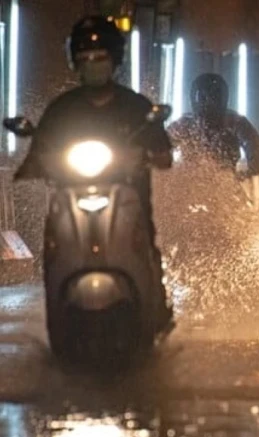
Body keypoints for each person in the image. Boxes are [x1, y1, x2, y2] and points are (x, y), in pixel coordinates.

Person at [14, 15, 173, 325]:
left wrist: (146, 155)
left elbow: (164, 156)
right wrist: (39, 162)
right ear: (76, 63)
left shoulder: (136, 107)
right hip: (72, 196)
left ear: (114, 61)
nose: (93, 64)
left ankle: (156, 307)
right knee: (54, 243)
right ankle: (57, 306)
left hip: (129, 198)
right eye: (85, 59)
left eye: (100, 58)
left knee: (146, 243)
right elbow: (39, 154)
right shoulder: (62, 109)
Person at [168, 73, 259, 177]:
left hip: (223, 184)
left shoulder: (234, 122)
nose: (209, 103)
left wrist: (246, 174)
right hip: (190, 184)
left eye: (214, 97)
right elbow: (159, 147)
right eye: (203, 98)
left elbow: (256, 152)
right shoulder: (185, 124)